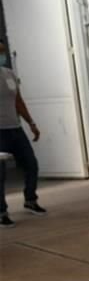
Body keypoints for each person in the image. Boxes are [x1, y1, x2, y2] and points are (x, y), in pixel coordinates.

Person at [0, 41, 46, 227]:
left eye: (3, 51)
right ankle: (1, 212)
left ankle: (30, 200)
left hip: (15, 128)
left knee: (31, 164)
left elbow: (18, 101)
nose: (2, 54)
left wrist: (31, 123)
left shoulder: (9, 74)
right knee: (0, 174)